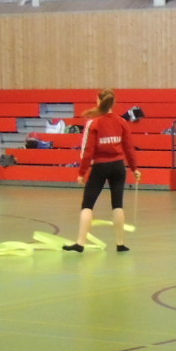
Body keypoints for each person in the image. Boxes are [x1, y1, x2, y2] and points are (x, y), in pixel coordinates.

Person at [64, 90, 140, 253]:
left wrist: (81, 172)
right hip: (118, 166)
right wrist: (134, 168)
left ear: (99, 102)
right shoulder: (121, 121)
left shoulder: (94, 123)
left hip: (100, 166)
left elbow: (88, 151)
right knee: (117, 204)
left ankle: (80, 243)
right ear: (113, 103)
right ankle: (120, 243)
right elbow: (129, 148)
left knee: (87, 205)